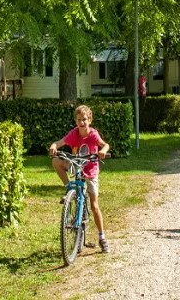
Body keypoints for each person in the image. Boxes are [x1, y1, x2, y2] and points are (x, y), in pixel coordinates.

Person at [50, 105, 111, 253]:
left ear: (89, 120)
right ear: (76, 121)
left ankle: (102, 237)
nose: (82, 123)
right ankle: (69, 188)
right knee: (56, 161)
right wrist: (54, 146)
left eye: (84, 120)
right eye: (79, 120)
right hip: (77, 166)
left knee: (94, 205)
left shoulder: (93, 135)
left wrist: (102, 150)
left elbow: (105, 145)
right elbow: (60, 142)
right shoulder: (74, 133)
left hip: (90, 171)